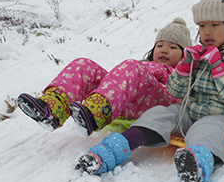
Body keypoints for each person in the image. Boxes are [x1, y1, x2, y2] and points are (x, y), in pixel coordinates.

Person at [75, 0, 224, 182]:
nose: (206, 32)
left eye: (214, 25)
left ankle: (196, 167)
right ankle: (110, 151)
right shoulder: (198, 52)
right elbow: (174, 92)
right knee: (158, 114)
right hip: (188, 111)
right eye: (201, 26)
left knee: (207, 130)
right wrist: (184, 67)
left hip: (220, 115)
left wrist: (219, 66)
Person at [17, 18, 192, 138]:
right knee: (84, 65)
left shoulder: (182, 73)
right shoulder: (143, 64)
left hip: (159, 102)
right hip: (126, 99)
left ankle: (95, 115)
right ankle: (52, 109)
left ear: (185, 53)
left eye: (172, 47)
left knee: (132, 67)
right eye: (159, 45)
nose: (163, 50)